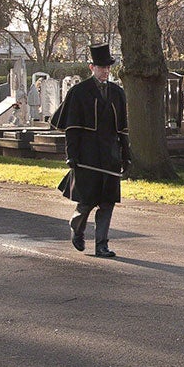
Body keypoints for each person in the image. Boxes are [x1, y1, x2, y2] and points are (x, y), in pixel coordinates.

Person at [55, 45, 129, 257]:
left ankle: (101, 245)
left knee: (107, 203)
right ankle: (77, 226)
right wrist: (72, 155)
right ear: (91, 67)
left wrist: (127, 156)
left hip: (111, 156)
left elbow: (123, 129)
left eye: (107, 67)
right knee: (86, 202)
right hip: (87, 156)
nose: (105, 71)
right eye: (101, 67)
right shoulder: (79, 92)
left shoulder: (118, 93)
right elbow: (72, 128)